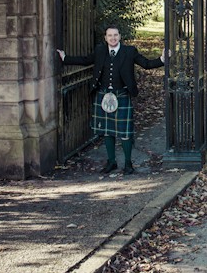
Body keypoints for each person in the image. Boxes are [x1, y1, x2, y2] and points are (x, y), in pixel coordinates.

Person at [57, 25, 165, 175]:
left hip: (121, 95)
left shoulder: (129, 51)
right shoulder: (100, 50)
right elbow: (85, 60)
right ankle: (111, 162)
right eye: (109, 35)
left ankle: (128, 163)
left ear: (120, 36)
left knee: (125, 132)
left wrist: (162, 59)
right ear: (105, 38)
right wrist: (65, 58)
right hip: (103, 95)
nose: (113, 38)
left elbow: (146, 64)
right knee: (107, 132)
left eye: (115, 35)